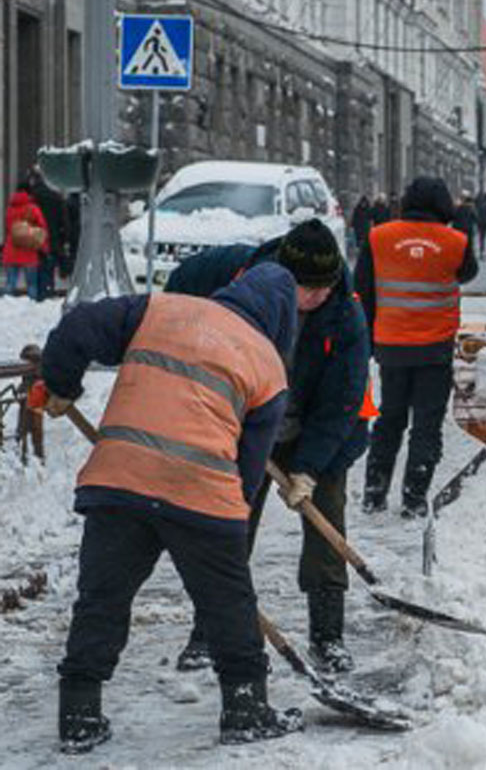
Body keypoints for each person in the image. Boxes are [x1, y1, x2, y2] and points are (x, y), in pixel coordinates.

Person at [39, 264, 303, 753]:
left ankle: (78, 712)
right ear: (282, 319)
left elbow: (78, 327)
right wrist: (227, 524)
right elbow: (249, 464)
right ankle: (245, 707)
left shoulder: (158, 309)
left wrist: (62, 384)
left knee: (102, 598)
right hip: (202, 493)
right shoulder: (268, 363)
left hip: (120, 480)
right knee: (229, 605)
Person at [165, 219, 370, 674]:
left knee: (326, 523)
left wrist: (309, 469)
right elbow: (176, 289)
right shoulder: (236, 273)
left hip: (320, 431)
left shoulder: (345, 313)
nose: (315, 298)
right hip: (248, 425)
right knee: (228, 524)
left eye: (325, 287)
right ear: (281, 273)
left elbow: (341, 402)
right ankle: (209, 629)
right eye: (306, 288)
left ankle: (328, 633)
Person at [355, 177, 478, 515]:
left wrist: (366, 339)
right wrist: (463, 226)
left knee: (389, 418)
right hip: (435, 349)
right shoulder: (455, 242)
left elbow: (361, 287)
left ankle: (374, 491)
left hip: (391, 346)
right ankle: (414, 497)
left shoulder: (378, 238)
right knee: (426, 425)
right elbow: (468, 273)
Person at [27, 166, 67, 299]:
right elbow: (63, 220)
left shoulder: (31, 196)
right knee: (48, 269)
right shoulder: (56, 197)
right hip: (52, 237)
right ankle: (47, 292)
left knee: (35, 268)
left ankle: (36, 295)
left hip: (34, 237)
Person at [4, 182, 48, 298]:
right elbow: (42, 227)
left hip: (11, 249)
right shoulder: (33, 208)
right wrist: (44, 247)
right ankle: (31, 309)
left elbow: (8, 226)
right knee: (31, 285)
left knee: (10, 283)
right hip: (29, 250)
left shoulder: (10, 208)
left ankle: (5, 309)